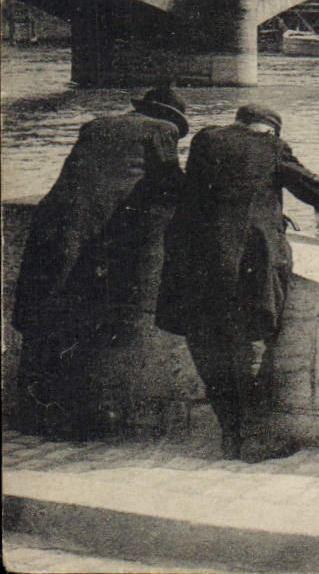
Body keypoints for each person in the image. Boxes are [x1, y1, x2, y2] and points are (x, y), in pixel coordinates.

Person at [155, 104, 319, 462]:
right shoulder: (272, 147)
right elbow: (313, 189)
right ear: (270, 130)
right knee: (250, 342)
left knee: (206, 345)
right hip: (244, 264)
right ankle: (253, 439)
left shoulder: (205, 139)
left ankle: (230, 434)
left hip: (191, 258)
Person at [13, 84, 189, 438]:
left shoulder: (96, 124)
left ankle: (31, 410)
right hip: (87, 235)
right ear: (171, 117)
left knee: (39, 317)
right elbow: (172, 185)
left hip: (49, 222)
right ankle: (72, 420)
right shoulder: (161, 129)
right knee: (80, 321)